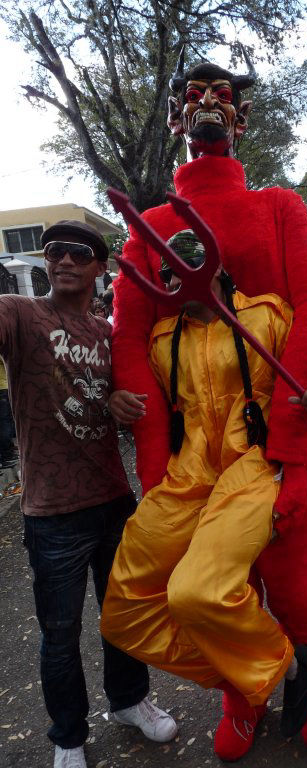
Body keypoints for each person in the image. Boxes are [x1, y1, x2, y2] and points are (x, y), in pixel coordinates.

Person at [109, 56, 307, 759]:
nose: (207, 105)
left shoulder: (279, 206)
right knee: (182, 594)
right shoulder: (148, 224)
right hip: (192, 454)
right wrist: (155, 465)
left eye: (221, 97)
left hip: (275, 434)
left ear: (241, 120)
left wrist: (294, 446)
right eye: (194, 97)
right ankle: (250, 685)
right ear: (181, 120)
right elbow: (129, 340)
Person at [0, 221, 176, 768]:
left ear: (101, 267)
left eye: (81, 252)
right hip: (52, 510)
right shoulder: (19, 314)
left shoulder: (109, 334)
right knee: (60, 633)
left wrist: (124, 406)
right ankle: (68, 738)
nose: (66, 260)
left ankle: (128, 702)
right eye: (55, 252)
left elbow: (129, 403)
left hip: (112, 501)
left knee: (122, 616)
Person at [0, 358, 18, 469]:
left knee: (5, 422)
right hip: (3, 387)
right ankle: (6, 455)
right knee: (4, 423)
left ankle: (8, 449)